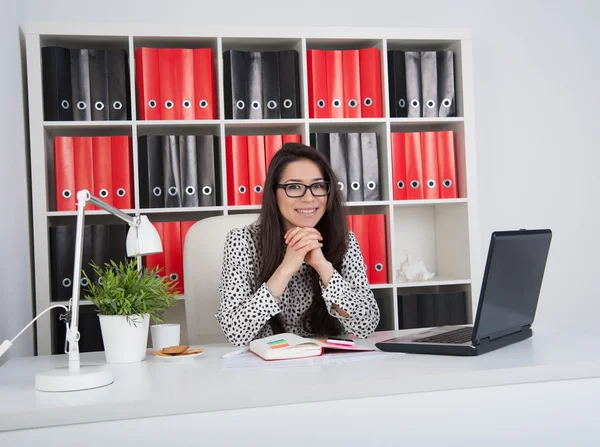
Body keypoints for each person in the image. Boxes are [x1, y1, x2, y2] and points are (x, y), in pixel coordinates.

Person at [215, 142, 380, 346]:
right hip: (267, 366)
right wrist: (285, 269)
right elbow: (236, 333)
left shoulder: (345, 240)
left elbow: (366, 325)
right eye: (294, 187)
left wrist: (323, 267)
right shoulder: (242, 242)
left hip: (329, 363)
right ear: (274, 193)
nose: (309, 198)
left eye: (318, 186)